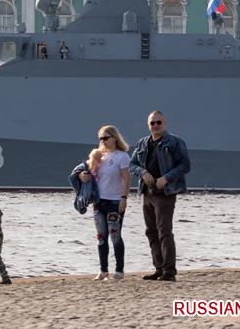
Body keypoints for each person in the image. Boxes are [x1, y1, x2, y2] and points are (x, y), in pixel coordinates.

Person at [129, 111, 191, 282]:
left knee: (164, 231)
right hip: (147, 193)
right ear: (148, 125)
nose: (155, 126)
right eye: (152, 123)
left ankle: (169, 272)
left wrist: (167, 178)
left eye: (159, 122)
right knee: (151, 232)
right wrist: (142, 172)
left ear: (165, 123)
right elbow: (131, 164)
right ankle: (158, 269)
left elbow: (185, 165)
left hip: (165, 193)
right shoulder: (142, 143)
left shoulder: (175, 142)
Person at [76, 126, 131, 281]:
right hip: (99, 201)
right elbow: (88, 173)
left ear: (114, 138)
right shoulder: (98, 155)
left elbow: (127, 178)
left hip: (115, 201)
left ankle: (119, 271)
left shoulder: (122, 156)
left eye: (106, 137)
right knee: (101, 236)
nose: (103, 141)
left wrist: (124, 198)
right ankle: (103, 270)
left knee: (115, 235)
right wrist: (82, 176)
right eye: (100, 138)